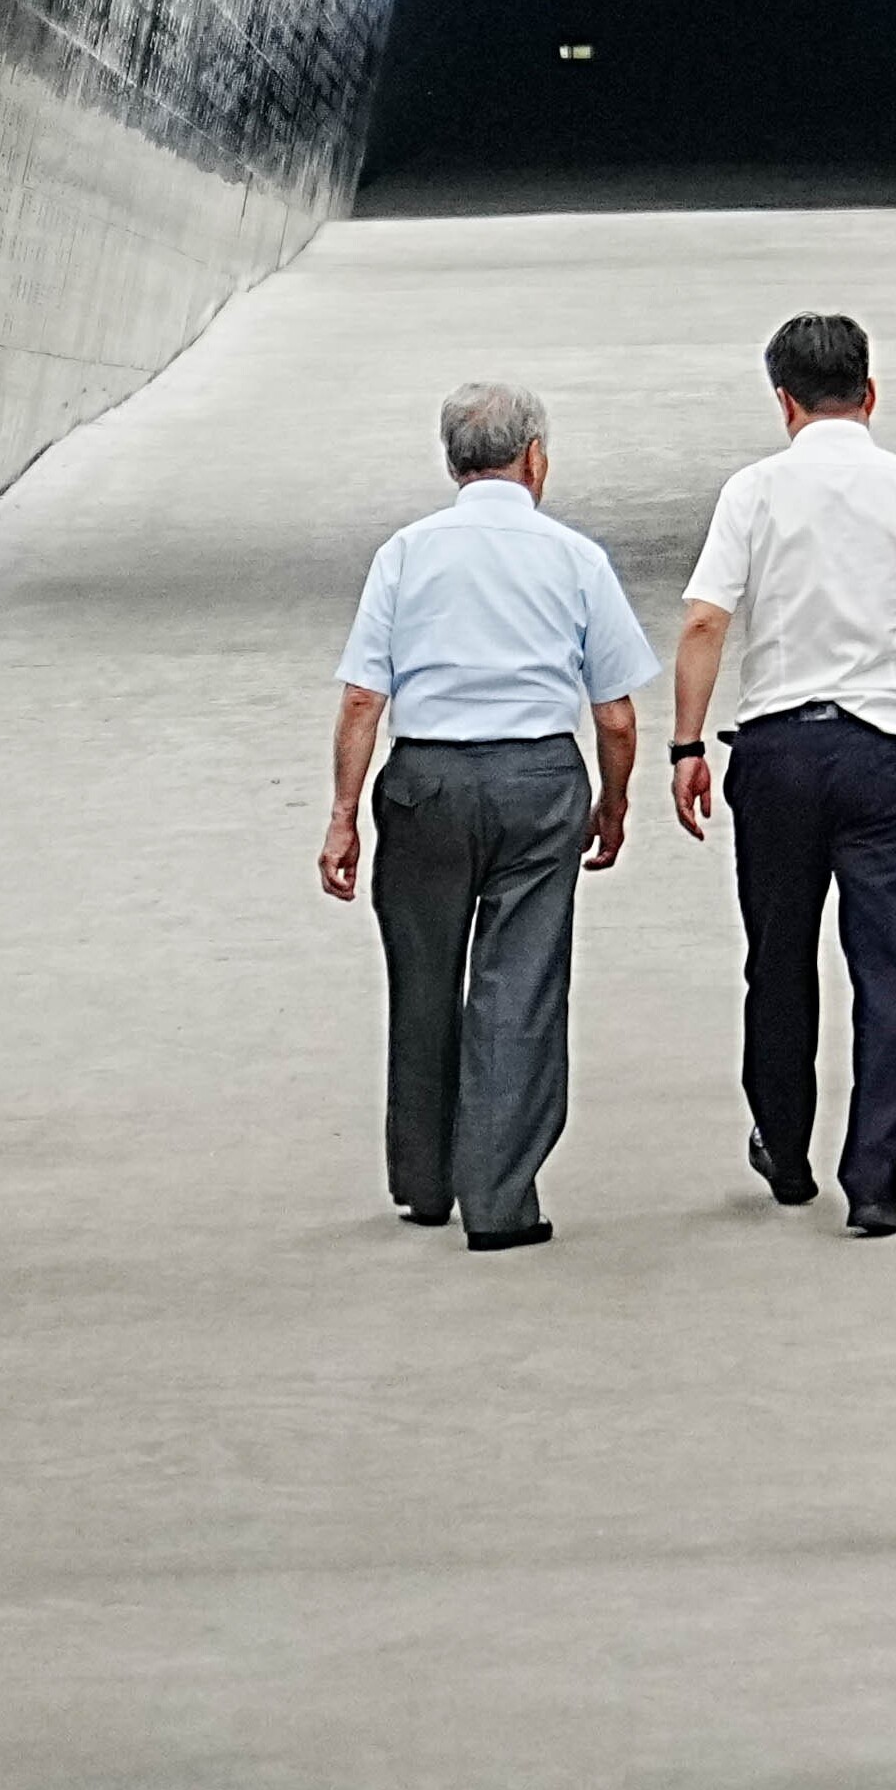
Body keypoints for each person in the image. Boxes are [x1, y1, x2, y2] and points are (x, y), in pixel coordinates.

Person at [665, 308, 896, 1234]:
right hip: (886, 755)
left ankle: (783, 1146)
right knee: (885, 968)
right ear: (870, 391)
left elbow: (703, 622)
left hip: (775, 753)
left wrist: (688, 747)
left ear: (783, 401)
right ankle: (877, 1182)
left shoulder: (753, 492)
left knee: (778, 957)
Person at [319, 379, 648, 1250]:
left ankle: (424, 1184)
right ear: (534, 456)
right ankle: (499, 1201)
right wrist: (613, 804)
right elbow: (614, 712)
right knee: (519, 987)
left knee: (422, 980)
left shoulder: (405, 552)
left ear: (451, 461)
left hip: (423, 783)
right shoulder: (574, 556)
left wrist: (344, 814)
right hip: (538, 780)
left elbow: (362, 696)